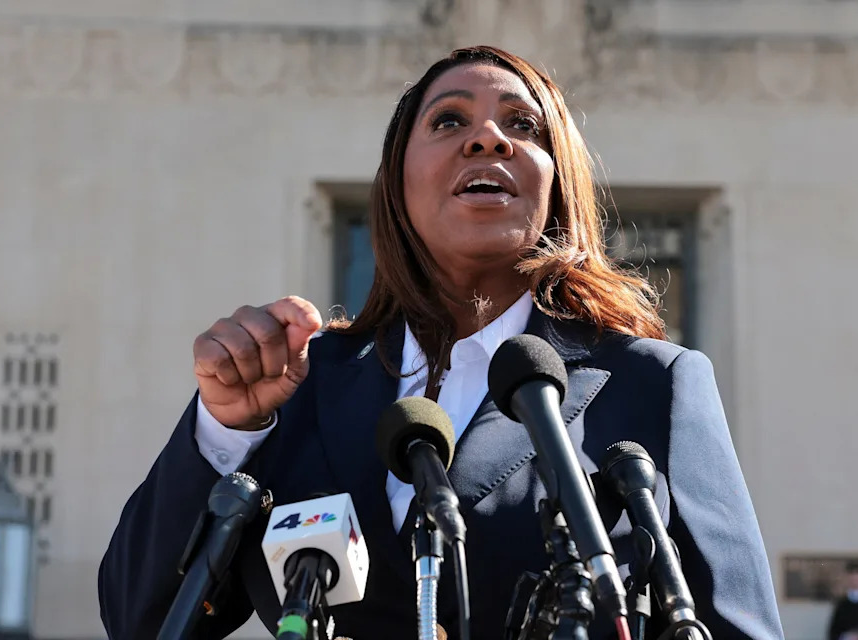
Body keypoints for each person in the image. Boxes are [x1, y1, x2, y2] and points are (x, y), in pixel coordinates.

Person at [98, 45, 784, 639]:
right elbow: (140, 618)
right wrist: (227, 433)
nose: (488, 139)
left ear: (559, 185)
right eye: (450, 120)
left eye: (523, 125)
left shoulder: (651, 384)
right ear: (398, 183)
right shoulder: (302, 382)